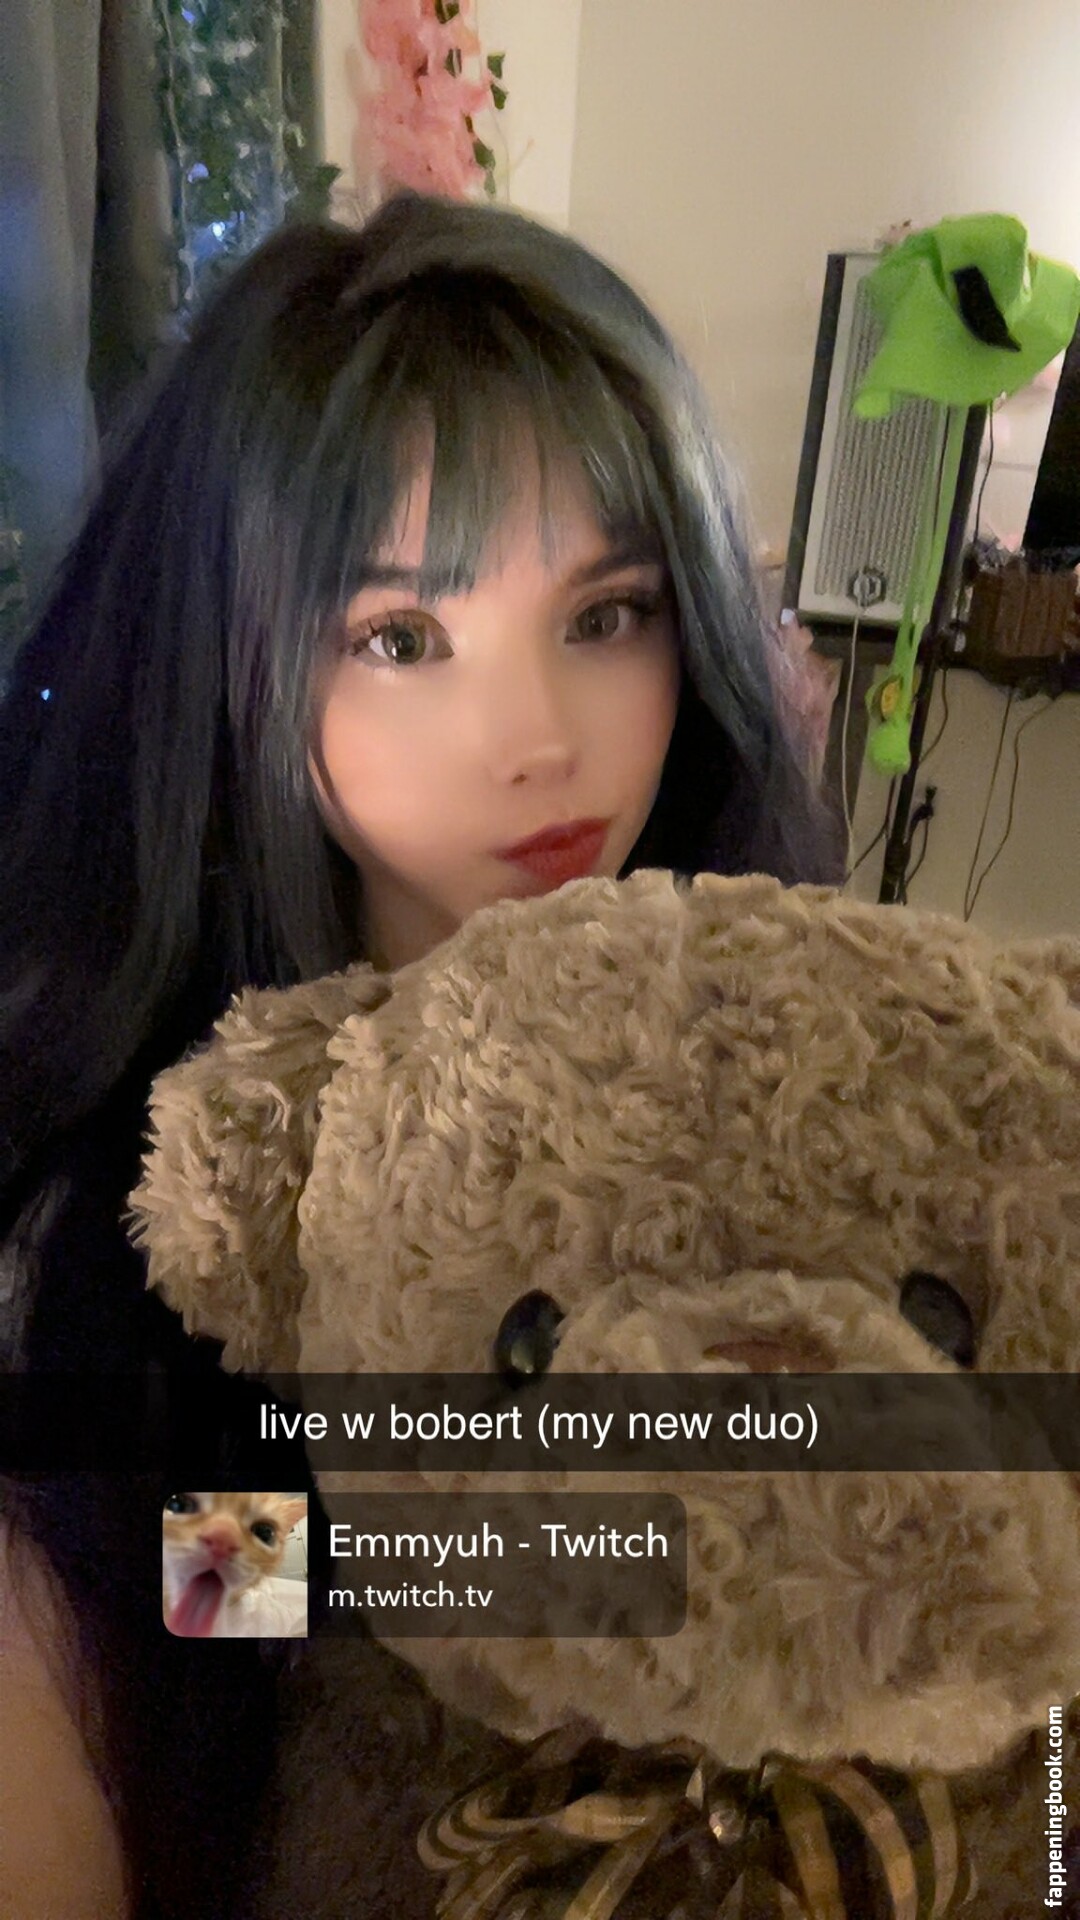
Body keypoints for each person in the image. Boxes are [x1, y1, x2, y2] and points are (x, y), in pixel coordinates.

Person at [0, 189, 842, 1919]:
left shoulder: (777, 1046)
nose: (537, 740)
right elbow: (189, 1571)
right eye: (401, 639)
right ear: (236, 662)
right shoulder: (136, 1196)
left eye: (606, 614)